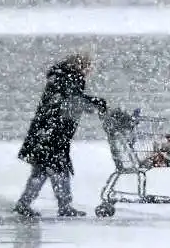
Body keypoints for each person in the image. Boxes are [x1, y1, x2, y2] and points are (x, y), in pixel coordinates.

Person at [13, 52, 108, 218]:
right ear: (81, 65)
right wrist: (95, 103)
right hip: (54, 133)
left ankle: (26, 203)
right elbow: (72, 99)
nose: (90, 70)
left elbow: (68, 99)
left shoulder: (60, 76)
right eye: (89, 66)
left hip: (46, 131)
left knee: (43, 170)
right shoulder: (71, 78)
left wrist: (90, 104)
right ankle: (62, 205)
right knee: (58, 169)